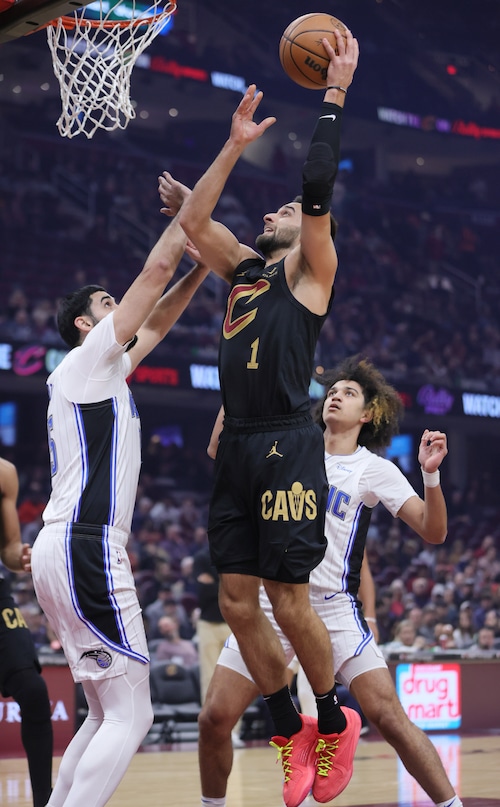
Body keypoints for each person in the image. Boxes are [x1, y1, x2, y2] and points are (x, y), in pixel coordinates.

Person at [159, 30, 361, 807]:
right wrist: (234, 144)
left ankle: (332, 719)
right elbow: (195, 221)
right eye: (272, 210)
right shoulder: (243, 269)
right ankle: (289, 732)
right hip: (236, 444)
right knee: (237, 603)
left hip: (285, 438)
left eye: (289, 211)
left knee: (287, 600)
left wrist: (334, 95)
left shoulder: (312, 270)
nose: (279, 210)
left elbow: (315, 188)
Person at [197, 356, 463, 807]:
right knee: (214, 719)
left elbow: (433, 532)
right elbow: (219, 449)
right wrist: (239, 389)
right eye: (333, 390)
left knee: (389, 716)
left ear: (368, 414)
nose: (336, 394)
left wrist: (430, 474)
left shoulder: (372, 468)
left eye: (349, 392)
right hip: (269, 604)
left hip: (330, 606)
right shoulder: (288, 447)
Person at [29, 212, 210, 807]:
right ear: (87, 323)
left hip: (64, 546)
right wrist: (192, 224)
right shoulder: (85, 362)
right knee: (134, 714)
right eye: (109, 301)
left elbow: (157, 318)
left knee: (104, 708)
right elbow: (155, 272)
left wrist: (202, 268)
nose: (121, 304)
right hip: (87, 544)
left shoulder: (104, 371)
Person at [0, 457, 53, 807]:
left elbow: (7, 548)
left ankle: (44, 801)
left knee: (33, 692)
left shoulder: (4, 473)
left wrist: (22, 556)